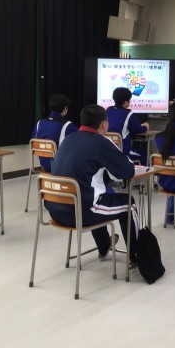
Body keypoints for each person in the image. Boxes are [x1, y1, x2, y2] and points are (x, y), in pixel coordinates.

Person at [47, 104, 139, 264]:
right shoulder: (101, 142)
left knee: (93, 193)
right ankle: (137, 256)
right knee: (128, 204)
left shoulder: (68, 139)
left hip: (55, 210)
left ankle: (104, 245)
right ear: (104, 123)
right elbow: (127, 172)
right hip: (80, 213)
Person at [31, 94, 78, 172]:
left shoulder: (39, 123)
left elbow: (33, 142)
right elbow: (82, 137)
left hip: (44, 165)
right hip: (60, 167)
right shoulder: (67, 125)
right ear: (65, 108)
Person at [106, 87, 149, 164]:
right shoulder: (128, 113)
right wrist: (145, 126)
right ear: (125, 102)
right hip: (124, 151)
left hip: (108, 150)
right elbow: (137, 129)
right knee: (144, 154)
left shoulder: (108, 110)